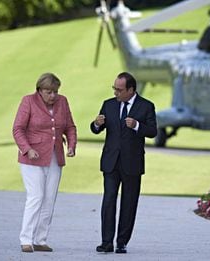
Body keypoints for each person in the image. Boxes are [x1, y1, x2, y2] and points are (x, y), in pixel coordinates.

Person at [90, 72, 157, 254]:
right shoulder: (108, 105)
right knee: (109, 199)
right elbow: (96, 128)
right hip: (111, 162)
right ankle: (106, 242)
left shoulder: (146, 106)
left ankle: (122, 242)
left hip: (132, 163)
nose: (115, 93)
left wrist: (136, 126)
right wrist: (96, 124)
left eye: (119, 90)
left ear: (131, 90)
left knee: (129, 203)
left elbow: (152, 131)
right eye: (114, 89)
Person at [13, 72, 77, 253]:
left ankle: (40, 239)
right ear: (39, 90)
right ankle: (26, 239)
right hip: (31, 158)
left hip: (55, 156)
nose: (53, 95)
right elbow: (18, 129)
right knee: (36, 196)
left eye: (55, 91)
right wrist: (27, 148)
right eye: (49, 92)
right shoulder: (28, 101)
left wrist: (71, 145)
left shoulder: (62, 102)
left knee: (49, 199)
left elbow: (70, 127)